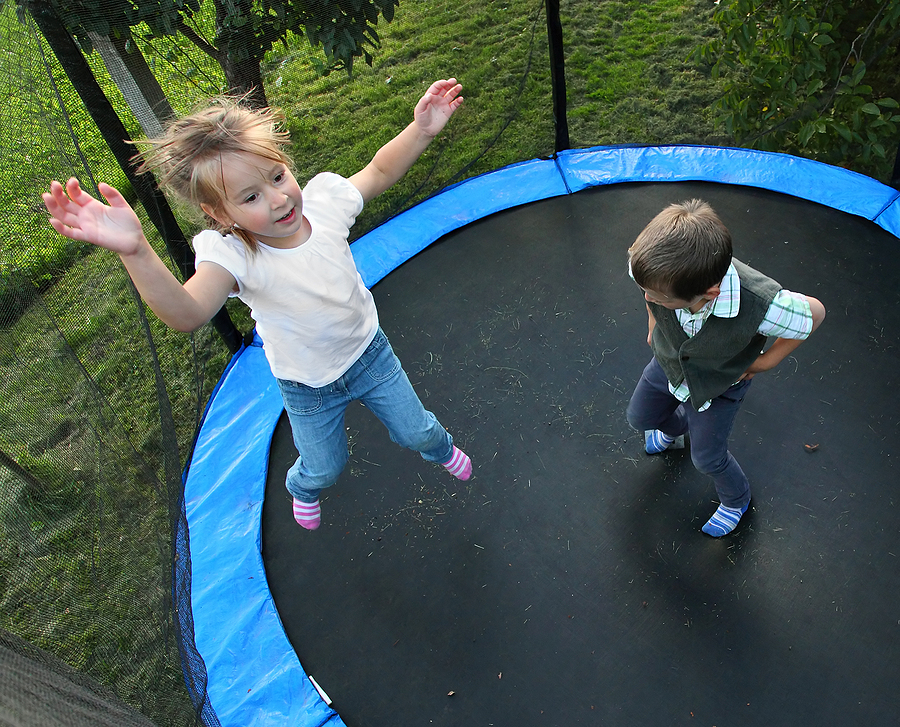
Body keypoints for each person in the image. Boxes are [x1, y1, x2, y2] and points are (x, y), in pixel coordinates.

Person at [43, 78, 472, 531]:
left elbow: (379, 172)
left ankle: (439, 448)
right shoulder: (232, 254)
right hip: (307, 387)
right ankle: (302, 487)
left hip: (369, 354)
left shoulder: (324, 204)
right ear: (221, 215)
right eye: (250, 197)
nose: (278, 198)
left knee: (417, 430)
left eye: (278, 176)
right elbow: (187, 313)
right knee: (326, 467)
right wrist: (136, 252)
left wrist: (421, 130)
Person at [625, 199, 825, 537]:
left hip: (720, 386)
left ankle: (736, 500)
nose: (650, 298)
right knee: (639, 418)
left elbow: (815, 313)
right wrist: (652, 318)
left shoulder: (762, 304)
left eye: (661, 299)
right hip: (668, 366)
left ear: (710, 292)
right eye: (647, 293)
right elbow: (649, 291)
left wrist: (766, 361)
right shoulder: (651, 270)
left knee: (707, 458)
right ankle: (675, 431)